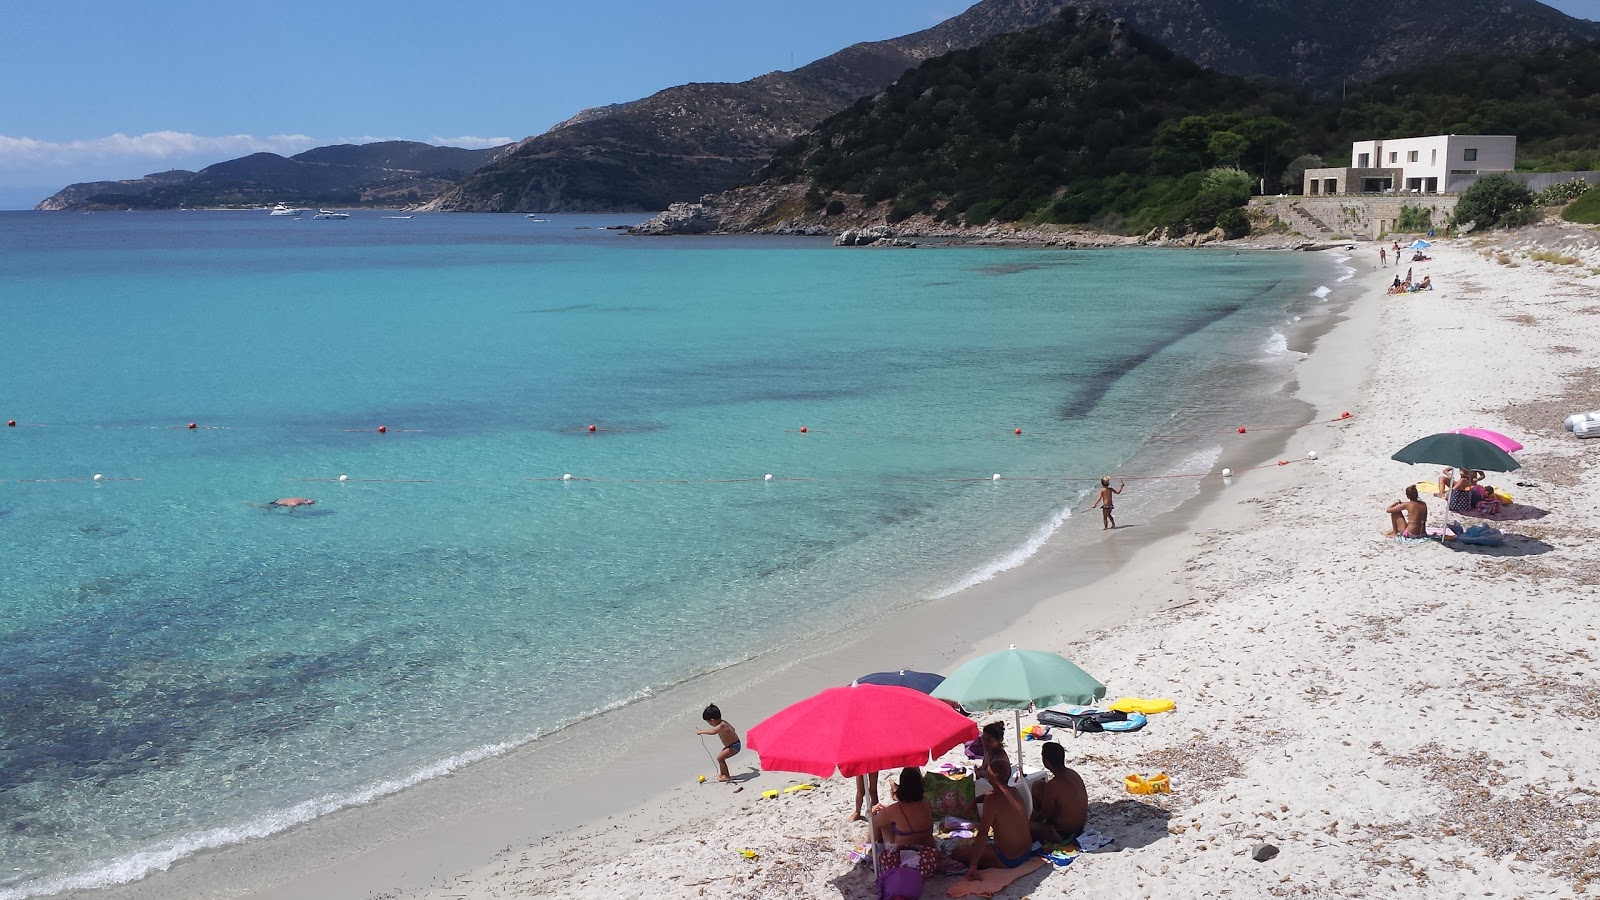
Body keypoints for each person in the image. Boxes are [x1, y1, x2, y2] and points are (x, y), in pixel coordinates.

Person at [955, 756, 1034, 878]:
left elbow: (983, 834)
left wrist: (973, 866)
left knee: (958, 852)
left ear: (991, 775)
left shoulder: (992, 801)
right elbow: (994, 793)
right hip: (1027, 851)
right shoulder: (1014, 791)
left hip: (1009, 859)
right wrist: (976, 800)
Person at [870, 768, 946, 878]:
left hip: (903, 857)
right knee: (891, 819)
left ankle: (866, 842)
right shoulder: (926, 802)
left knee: (884, 824)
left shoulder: (895, 810)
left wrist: (872, 812)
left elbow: (874, 823)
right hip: (928, 854)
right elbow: (911, 809)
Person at [1030, 742, 1088, 844]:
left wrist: (1032, 819)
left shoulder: (1054, 785)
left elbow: (1045, 813)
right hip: (1079, 827)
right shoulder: (1073, 774)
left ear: (1046, 761)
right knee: (1037, 785)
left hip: (1065, 833)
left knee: (1026, 825)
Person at [696, 704, 741, 782]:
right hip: (732, 744)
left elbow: (713, 731)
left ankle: (727, 776)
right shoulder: (724, 722)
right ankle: (722, 774)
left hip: (734, 746)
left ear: (712, 720)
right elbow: (733, 729)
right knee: (720, 757)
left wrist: (701, 731)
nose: (709, 724)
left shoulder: (721, 725)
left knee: (720, 758)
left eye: (708, 722)